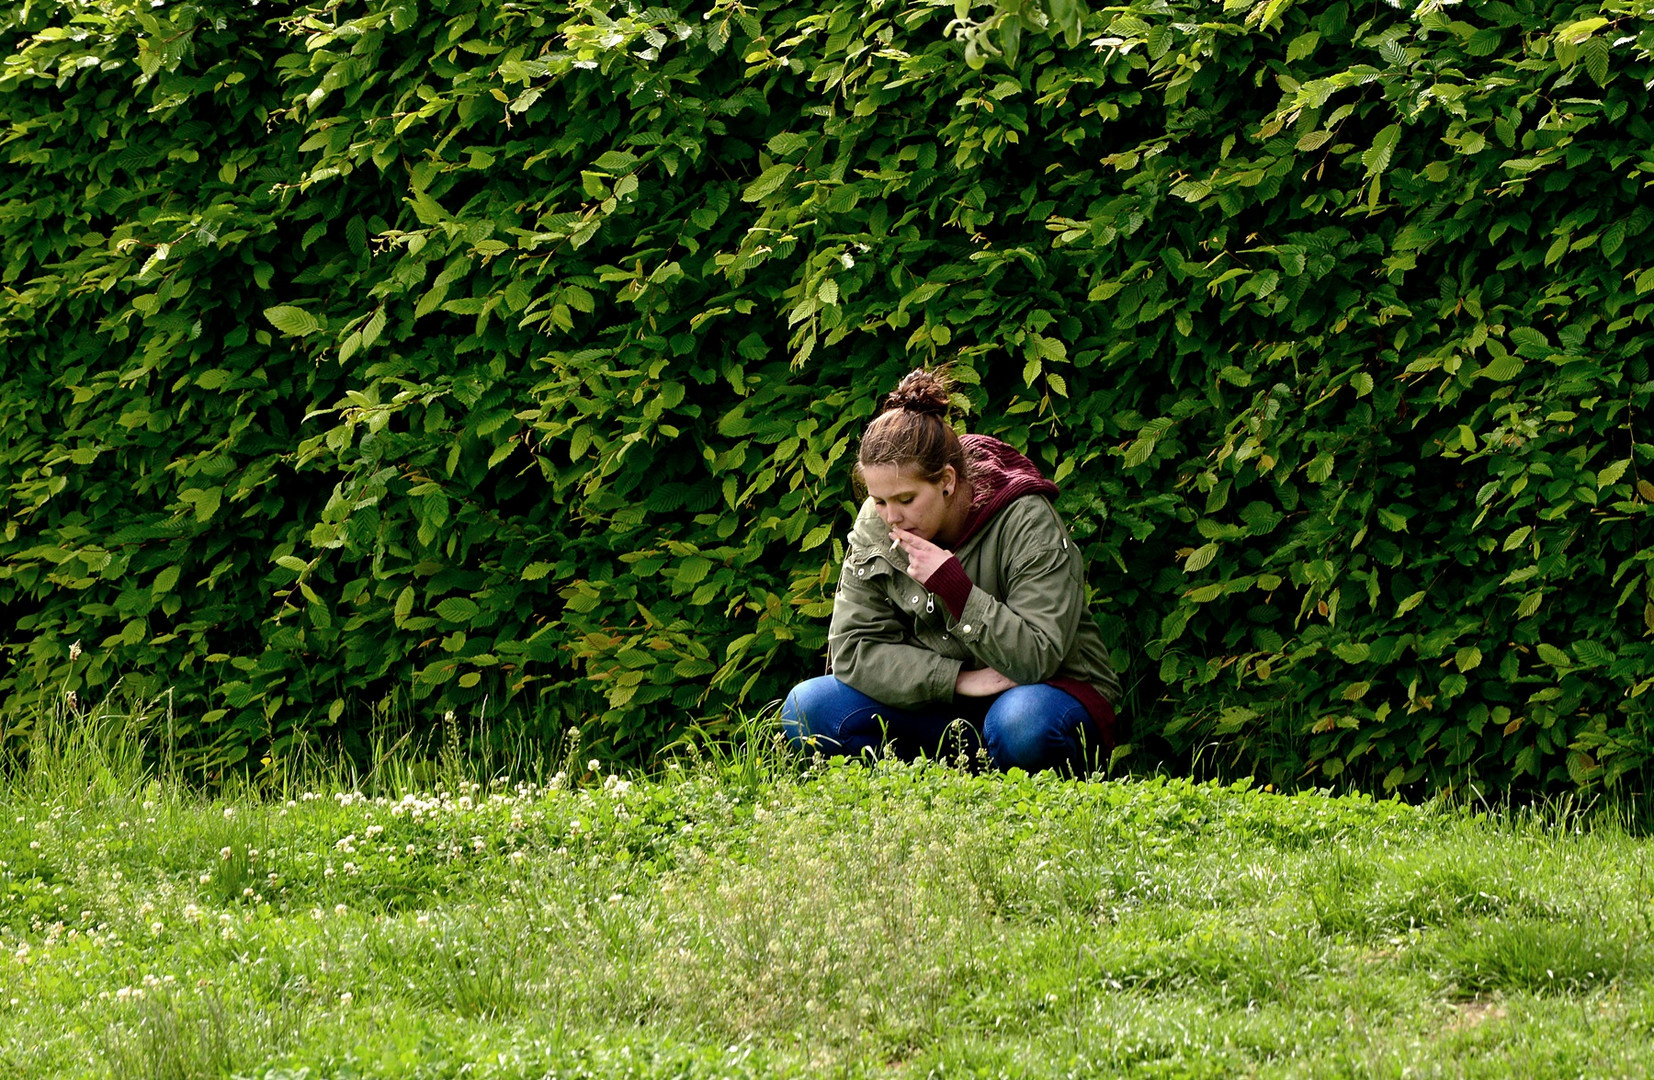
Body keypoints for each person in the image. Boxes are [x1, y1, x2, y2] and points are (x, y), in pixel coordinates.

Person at [781, 368, 1122, 773]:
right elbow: (854, 650)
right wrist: (956, 680)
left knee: (1022, 724)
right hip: (938, 703)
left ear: (946, 481)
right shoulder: (876, 521)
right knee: (809, 708)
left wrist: (956, 588)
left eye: (906, 499)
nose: (892, 517)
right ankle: (938, 784)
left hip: (1043, 695)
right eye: (880, 501)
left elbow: (1039, 655)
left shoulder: (1026, 518)